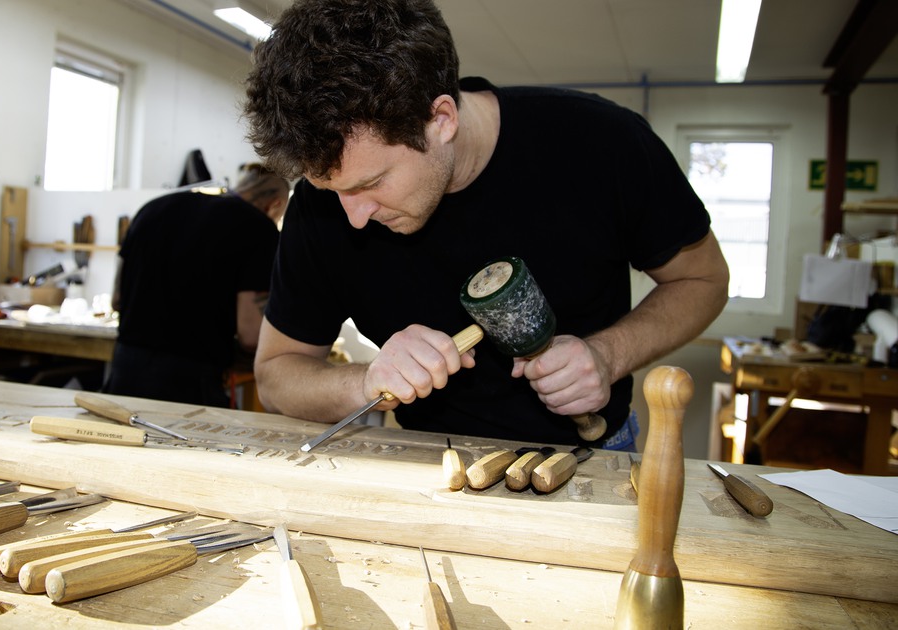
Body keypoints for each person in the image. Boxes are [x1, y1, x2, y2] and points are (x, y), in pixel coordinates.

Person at [241, 0, 730, 449]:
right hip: (427, 461)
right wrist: (366, 382)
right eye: (332, 190)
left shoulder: (602, 143)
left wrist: (608, 354)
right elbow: (277, 374)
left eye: (372, 182)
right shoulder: (321, 203)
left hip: (591, 455)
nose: (354, 214)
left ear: (441, 119)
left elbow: (704, 280)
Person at [102, 164, 290, 407]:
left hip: (125, 368)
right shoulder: (260, 229)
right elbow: (250, 335)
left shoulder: (152, 209)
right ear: (275, 204)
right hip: (188, 381)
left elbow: (117, 300)